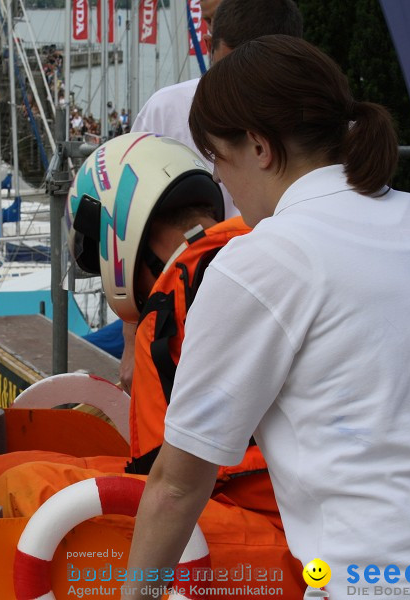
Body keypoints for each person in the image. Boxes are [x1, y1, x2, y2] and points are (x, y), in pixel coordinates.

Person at [122, 35, 410, 600]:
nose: (217, 179)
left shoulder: (259, 262)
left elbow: (176, 485)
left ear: (261, 148)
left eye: (218, 155)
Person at [0, 135, 304, 598]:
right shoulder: (245, 252)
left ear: (119, 231)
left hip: (278, 538)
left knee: (15, 483)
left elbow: (169, 487)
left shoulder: (187, 290)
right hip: (259, 505)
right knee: (8, 468)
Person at [121, 0, 303, 393]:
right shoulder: (167, 109)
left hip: (275, 323)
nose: (218, 174)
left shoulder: (312, 125)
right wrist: (133, 342)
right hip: (181, 324)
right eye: (224, 70)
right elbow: (126, 225)